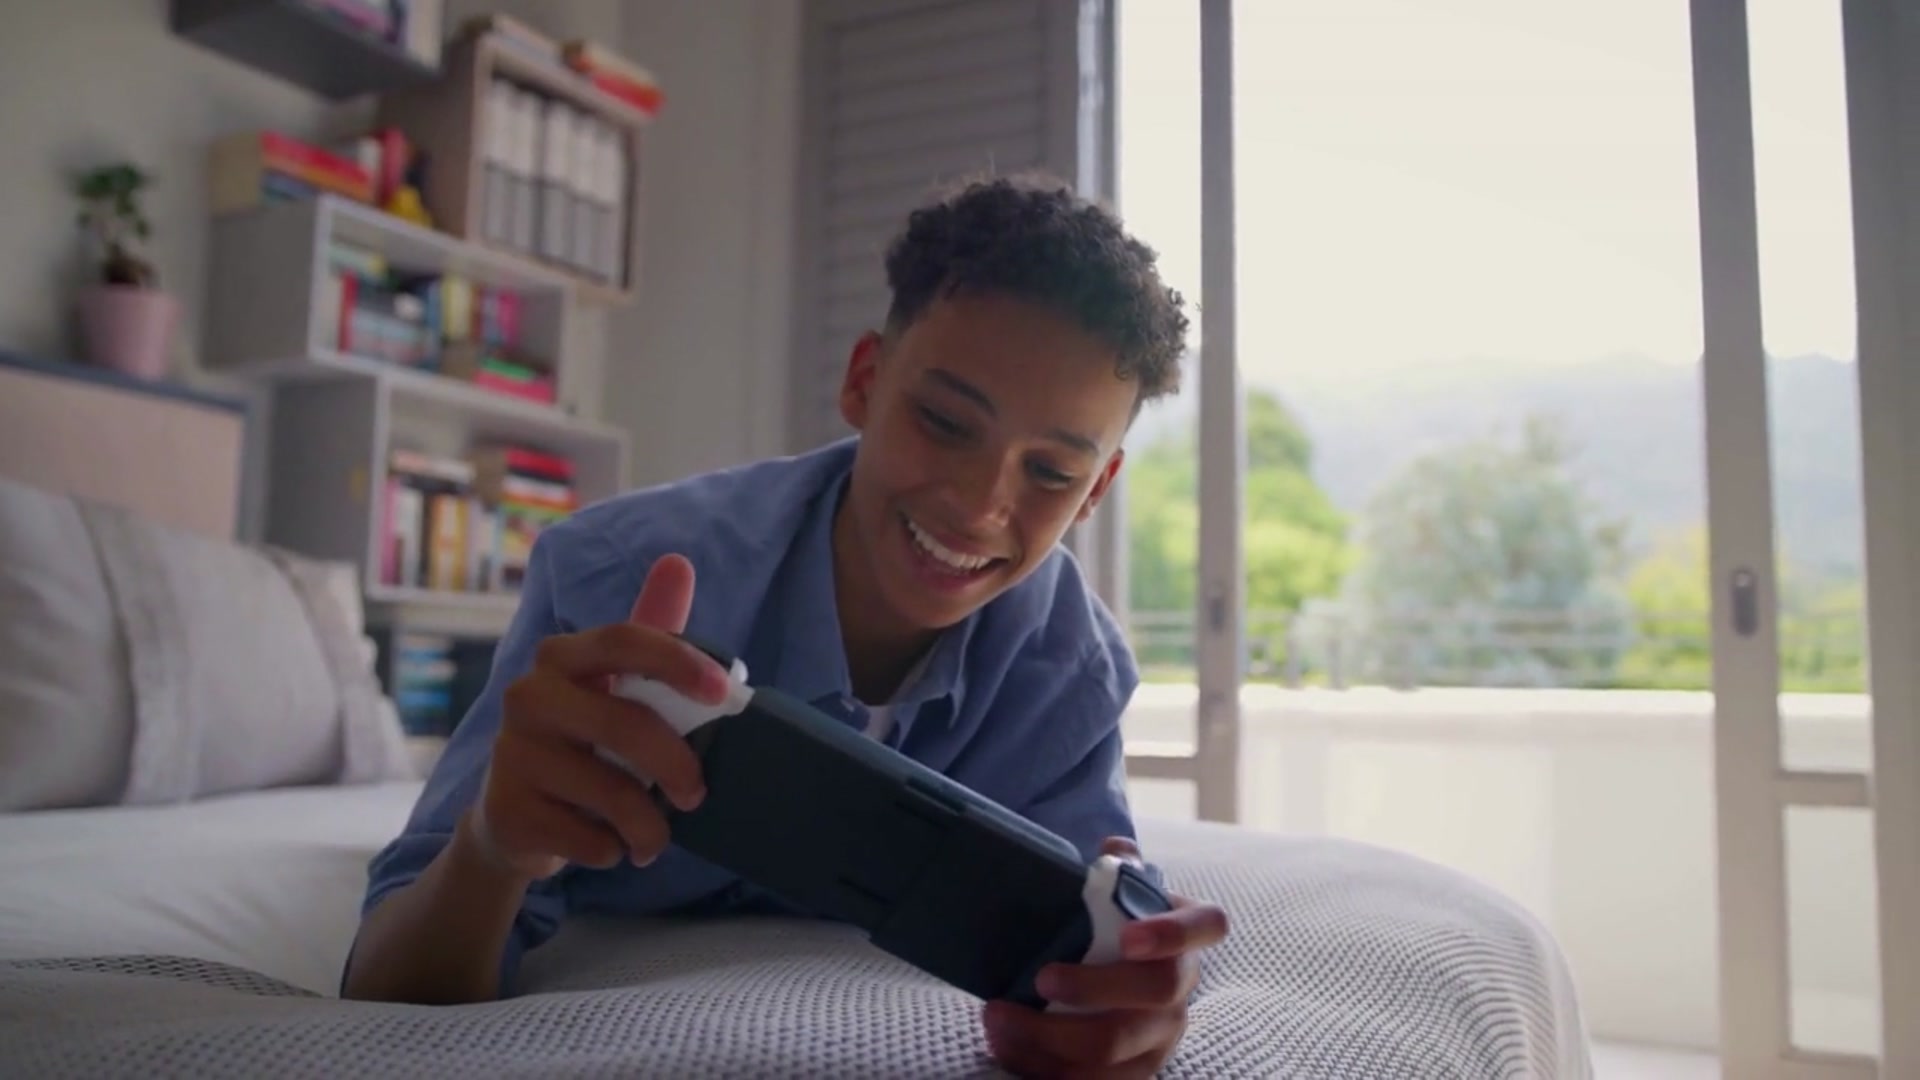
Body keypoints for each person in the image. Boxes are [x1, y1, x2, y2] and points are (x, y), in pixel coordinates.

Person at [341, 173, 1230, 1077]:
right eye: (943, 421)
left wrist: (1128, 989)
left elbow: (1091, 952)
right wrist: (491, 850)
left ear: (1097, 489)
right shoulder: (611, 578)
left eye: (1051, 474)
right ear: (864, 382)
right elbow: (384, 989)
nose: (978, 505)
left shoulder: (1069, 675)